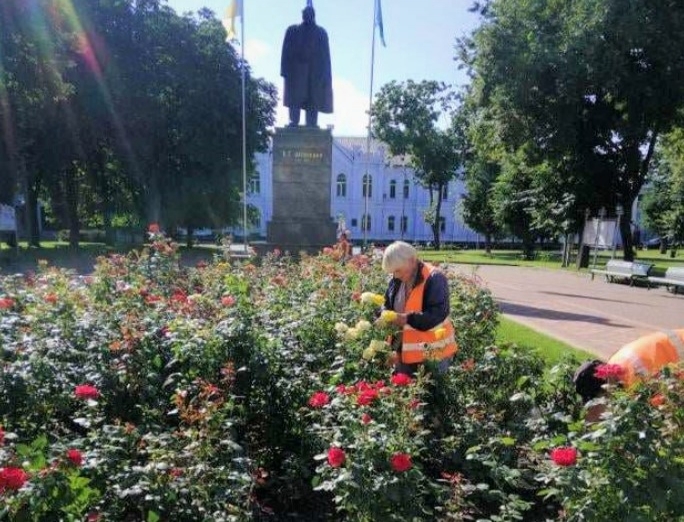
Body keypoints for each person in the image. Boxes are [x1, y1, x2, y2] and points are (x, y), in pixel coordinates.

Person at [380, 241, 457, 376]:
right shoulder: (397, 279)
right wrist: (382, 314)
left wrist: (406, 319)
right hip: (404, 354)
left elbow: (437, 314)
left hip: (432, 355)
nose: (396, 275)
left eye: (398, 270)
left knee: (432, 395)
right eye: (393, 272)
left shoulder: (435, 278)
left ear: (412, 260)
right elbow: (386, 303)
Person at [574, 329, 684, 419]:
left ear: (604, 387)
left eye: (600, 398)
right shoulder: (615, 362)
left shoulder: (636, 382)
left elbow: (666, 409)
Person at [280, 6, 333, 127]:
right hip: (296, 73)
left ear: (313, 16)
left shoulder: (321, 33)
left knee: (313, 99)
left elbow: (326, 56)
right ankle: (294, 121)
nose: (306, 16)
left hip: (315, 73)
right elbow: (285, 52)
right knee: (295, 99)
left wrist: (325, 74)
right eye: (304, 14)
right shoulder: (292, 31)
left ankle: (312, 124)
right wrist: (284, 70)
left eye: (308, 14)